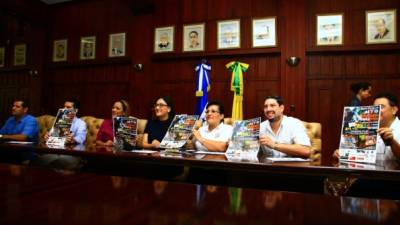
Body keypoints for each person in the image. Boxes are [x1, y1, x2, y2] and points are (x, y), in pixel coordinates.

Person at [334, 92, 400, 161]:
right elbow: (359, 154)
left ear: (394, 110)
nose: (376, 110)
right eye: (375, 107)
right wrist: (342, 154)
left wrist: (392, 142)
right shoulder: (367, 127)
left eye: (381, 107)